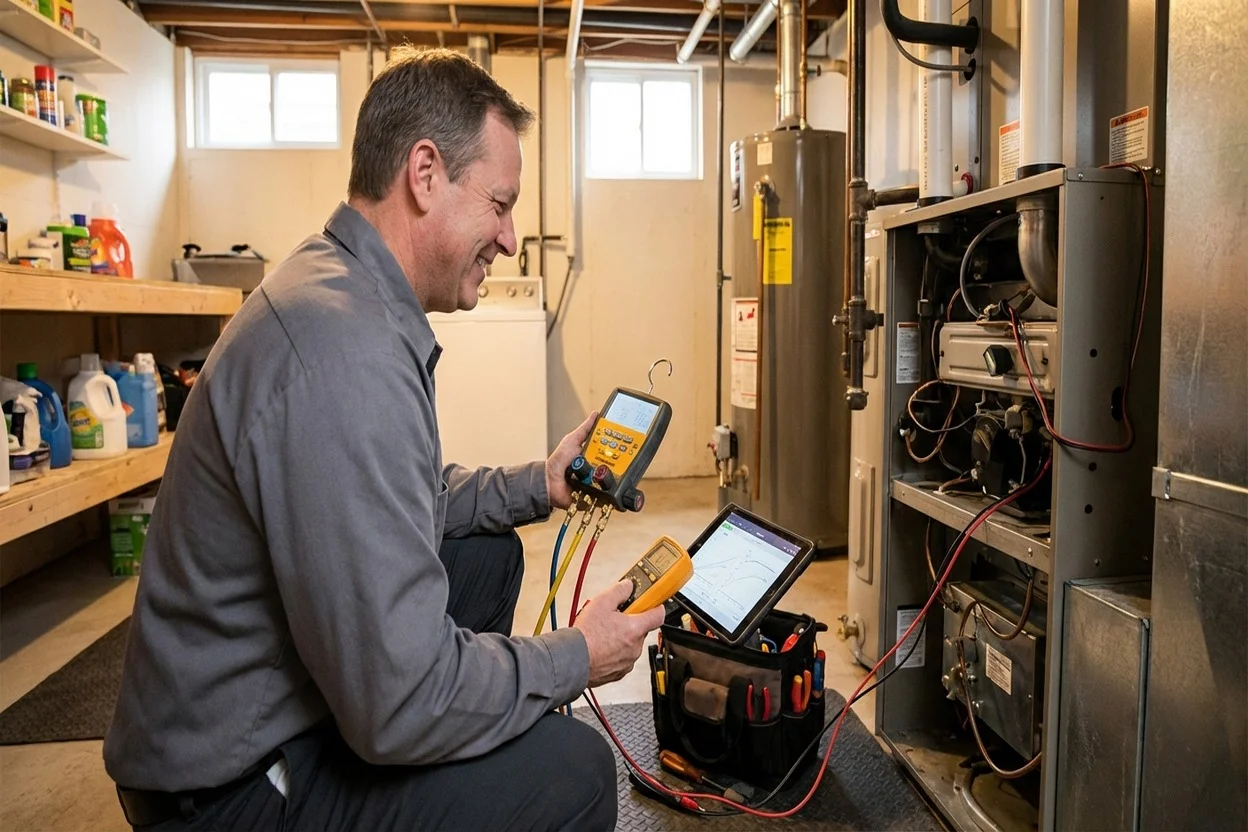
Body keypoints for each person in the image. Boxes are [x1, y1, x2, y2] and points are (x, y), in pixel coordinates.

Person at [103, 46, 665, 831]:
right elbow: (402, 701)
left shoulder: (337, 288)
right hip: (225, 789)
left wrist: (538, 483)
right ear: (425, 173)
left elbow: (406, 499)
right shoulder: (343, 351)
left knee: (487, 549)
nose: (508, 240)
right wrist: (579, 653)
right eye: (500, 205)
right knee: (570, 771)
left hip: (250, 712)